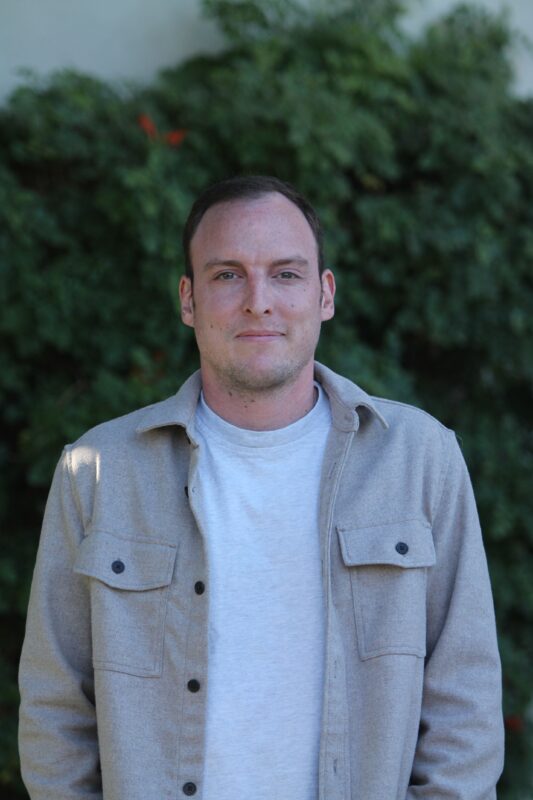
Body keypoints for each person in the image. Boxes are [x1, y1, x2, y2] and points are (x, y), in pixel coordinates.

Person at [19, 175, 504, 800]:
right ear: (188, 299)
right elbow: (56, 707)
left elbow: (465, 703)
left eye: (286, 274)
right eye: (228, 275)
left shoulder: (419, 459)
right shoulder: (98, 472)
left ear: (325, 294)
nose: (258, 301)